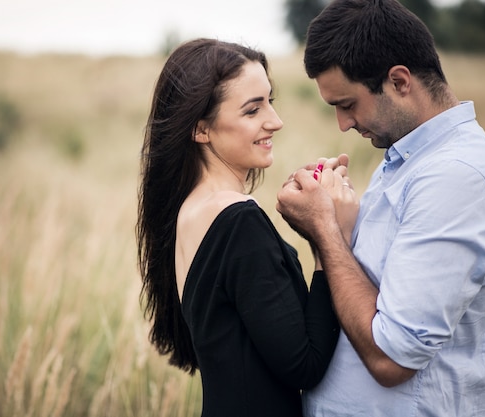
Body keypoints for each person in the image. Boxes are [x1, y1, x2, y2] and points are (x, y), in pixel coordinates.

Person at [276, 1, 485, 416]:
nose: (342, 123)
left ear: (399, 81)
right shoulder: (410, 160)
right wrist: (335, 221)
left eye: (348, 104)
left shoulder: (455, 177)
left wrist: (325, 231)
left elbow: (392, 360)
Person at [135, 38, 353, 416]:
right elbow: (305, 365)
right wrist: (328, 237)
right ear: (201, 130)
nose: (275, 120)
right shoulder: (238, 221)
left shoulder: (189, 210)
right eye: (253, 110)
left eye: (270, 100)